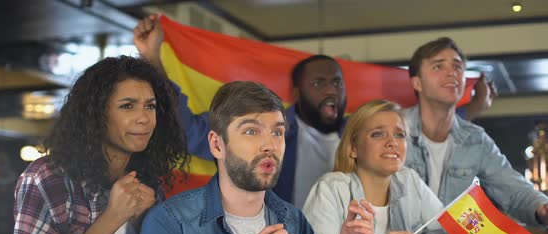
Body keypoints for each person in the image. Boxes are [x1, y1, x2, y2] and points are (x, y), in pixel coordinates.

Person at [133, 15, 494, 209]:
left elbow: (418, 130)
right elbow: (189, 133)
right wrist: (153, 60)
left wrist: (470, 111)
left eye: (336, 82)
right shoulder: (270, 134)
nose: (331, 90)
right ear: (297, 93)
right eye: (319, 84)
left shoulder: (361, 134)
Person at [139, 81, 375, 234]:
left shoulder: (293, 221)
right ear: (217, 145)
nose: (269, 145)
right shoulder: (168, 221)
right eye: (252, 131)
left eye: (277, 132)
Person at [12, 56, 188, 234]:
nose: (144, 118)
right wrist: (113, 216)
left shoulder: (149, 187)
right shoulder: (46, 179)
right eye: (127, 106)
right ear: (97, 114)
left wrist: (148, 225)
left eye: (150, 106)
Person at [303, 100, 462, 234]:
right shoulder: (329, 189)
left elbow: (444, 233)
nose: (392, 142)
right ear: (353, 148)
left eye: (400, 135)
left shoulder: (409, 180)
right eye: (378, 134)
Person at [405, 37, 548, 224]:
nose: (451, 73)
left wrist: (542, 208)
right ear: (417, 83)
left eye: (457, 67)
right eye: (438, 66)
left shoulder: (476, 139)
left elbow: (513, 188)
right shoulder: (392, 129)